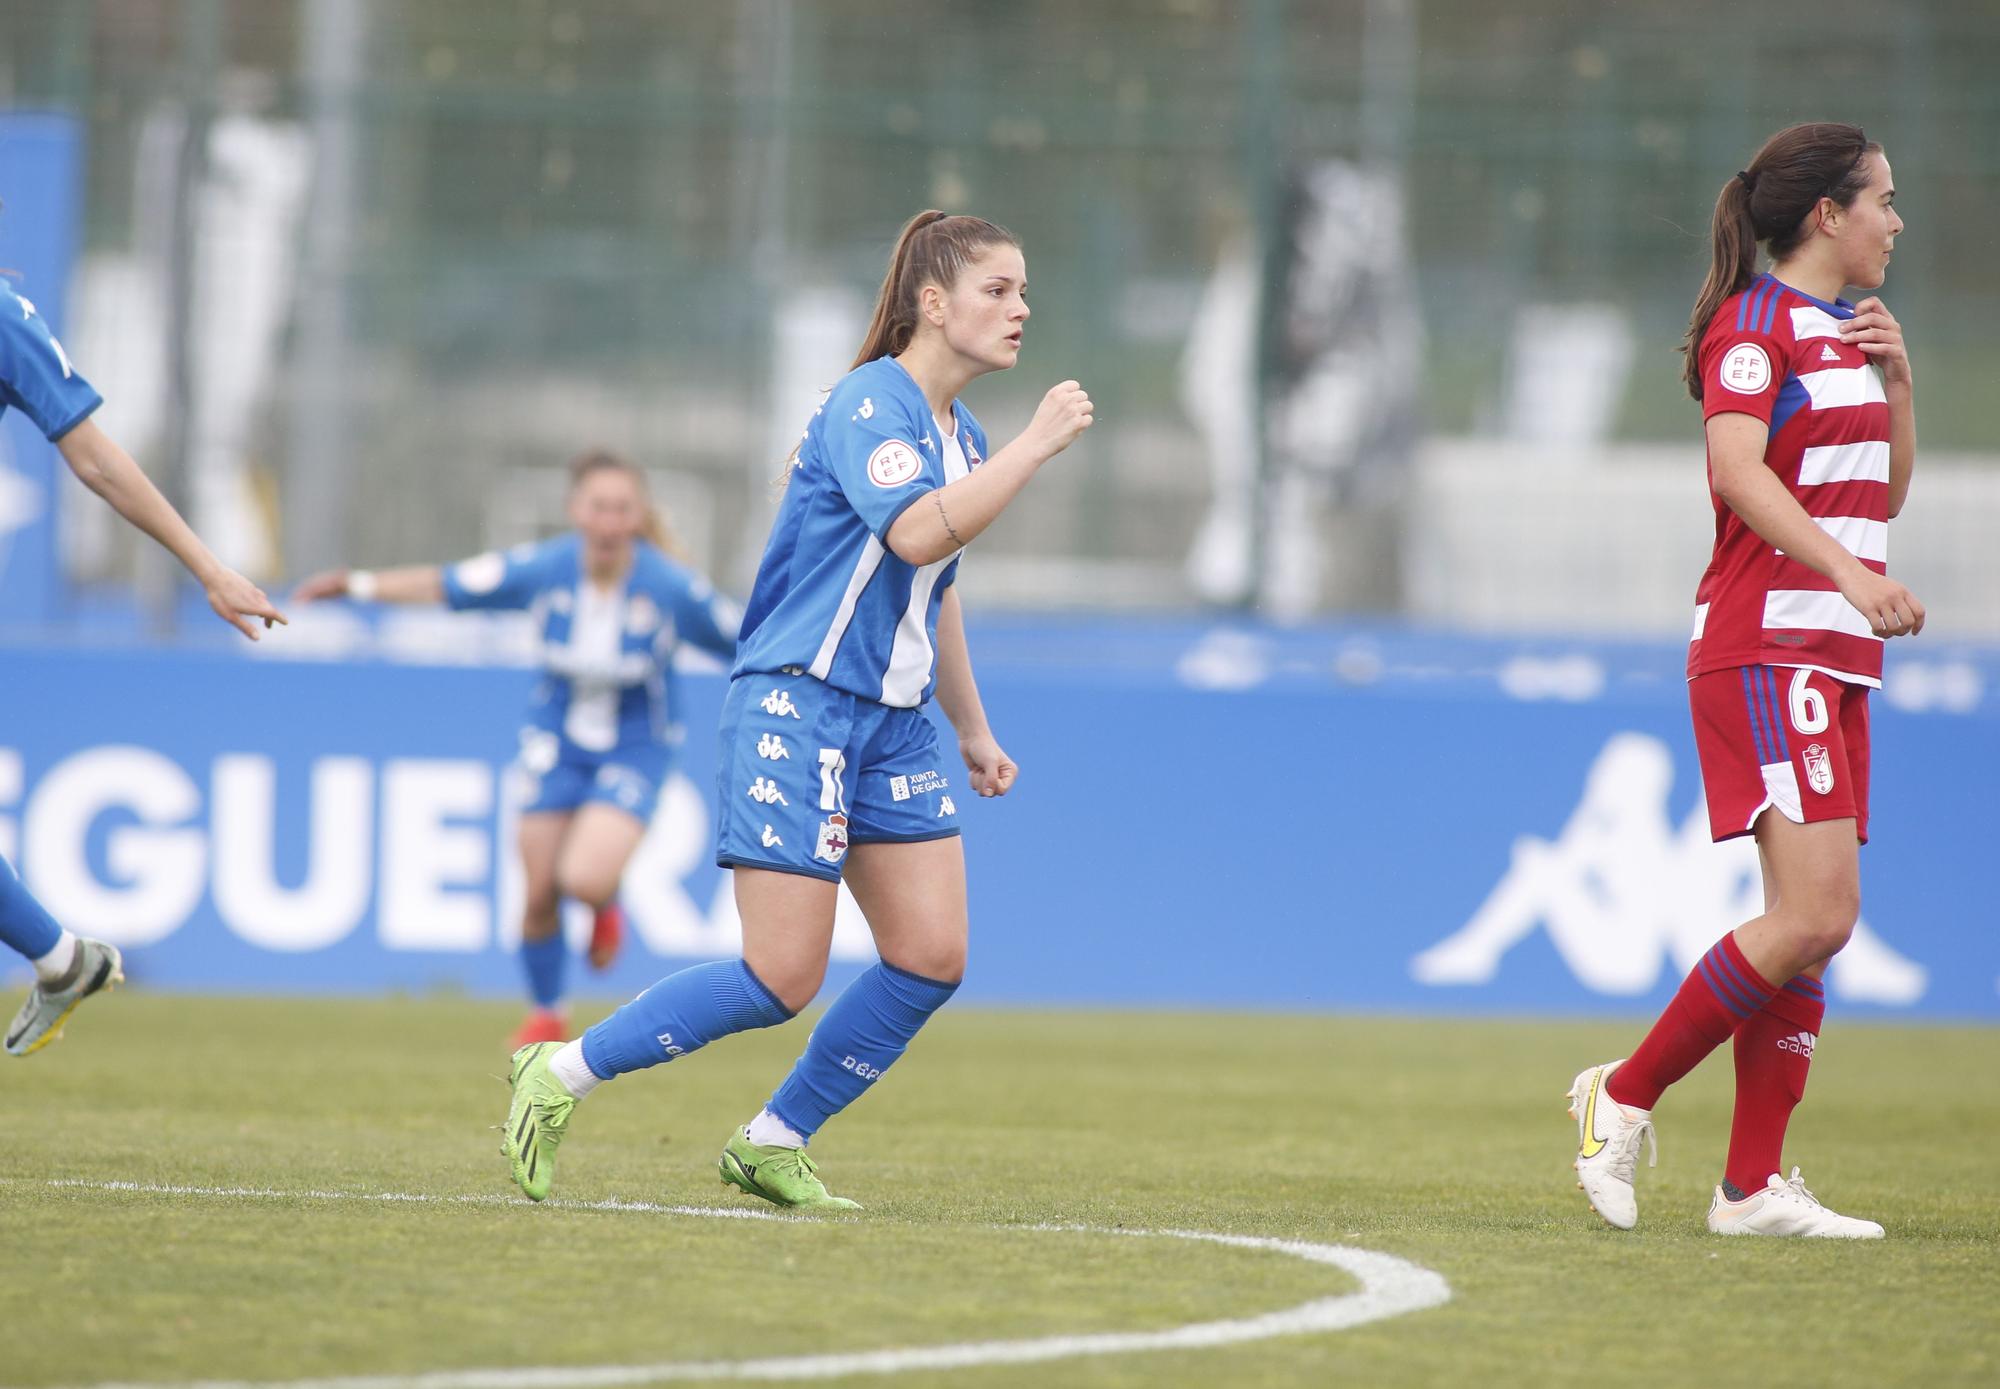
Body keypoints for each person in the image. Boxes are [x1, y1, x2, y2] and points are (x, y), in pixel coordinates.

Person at [497, 210, 1093, 1210]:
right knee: (780, 976)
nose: (1020, 309)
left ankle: (772, 1138)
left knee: (930, 957)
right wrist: (1033, 450)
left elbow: (932, 589)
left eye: (1024, 291)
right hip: (800, 703)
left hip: (893, 724)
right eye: (998, 290)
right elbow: (912, 535)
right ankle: (553, 1076)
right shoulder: (871, 405)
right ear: (932, 304)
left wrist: (971, 727)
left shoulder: (965, 435)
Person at [1570, 123, 1918, 1238]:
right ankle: (1619, 1093)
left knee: (1812, 923)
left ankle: (1750, 1189)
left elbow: (1881, 498)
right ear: (1827, 213)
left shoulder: (1842, 332)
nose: (1895, 221)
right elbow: (1734, 471)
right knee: (1814, 912)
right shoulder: (1752, 325)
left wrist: (1897, 384)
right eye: (1881, 200)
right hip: (1768, 644)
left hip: (1829, 650)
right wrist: (1846, 579)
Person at [295, 450, 739, 1047]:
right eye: (598, 507)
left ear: (639, 516)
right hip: (553, 740)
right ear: (575, 510)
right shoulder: (544, 569)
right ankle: (548, 1013)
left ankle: (604, 904)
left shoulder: (670, 587)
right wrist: (358, 584)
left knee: (581, 877)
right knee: (536, 889)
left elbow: (746, 639)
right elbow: (449, 585)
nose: (609, 522)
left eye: (622, 510)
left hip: (637, 745)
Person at [2, 277, 285, 1056]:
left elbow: (94, 458)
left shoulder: (3, 317)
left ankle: (61, 958)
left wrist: (210, 568)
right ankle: (62, 958)